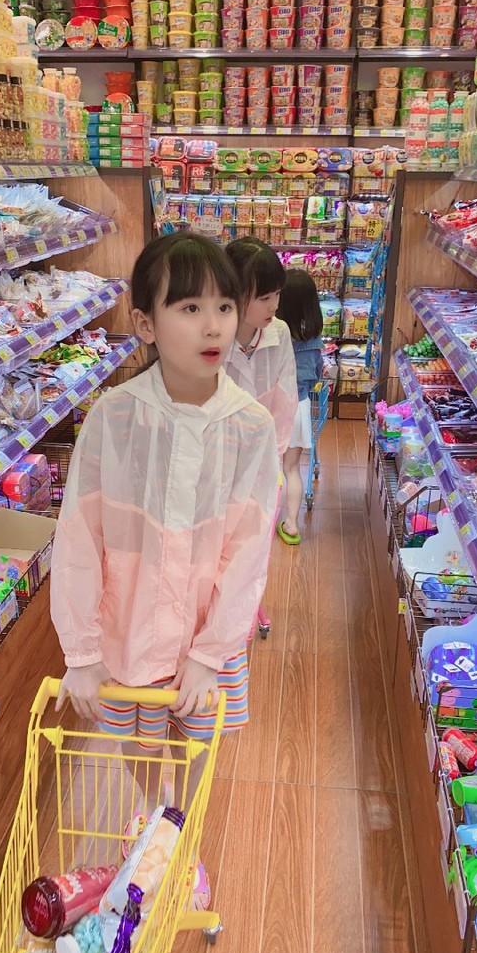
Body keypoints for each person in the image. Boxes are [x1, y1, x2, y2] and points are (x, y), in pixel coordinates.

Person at [50, 232, 279, 908]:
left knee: (198, 741)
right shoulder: (114, 418)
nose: (213, 326)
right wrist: (81, 652)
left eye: (224, 307)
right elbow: (80, 536)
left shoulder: (251, 427)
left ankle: (183, 836)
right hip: (130, 627)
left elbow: (249, 553)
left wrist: (211, 653)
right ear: (146, 324)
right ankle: (155, 818)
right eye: (189, 308)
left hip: (207, 633)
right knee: (138, 741)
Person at [224, 237, 298, 460]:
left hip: (264, 451)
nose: (274, 306)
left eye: (278, 294)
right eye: (265, 297)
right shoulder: (213, 336)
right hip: (217, 453)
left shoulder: (280, 332)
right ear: (233, 293)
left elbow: (286, 399)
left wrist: (269, 453)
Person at [275, 269, 324, 545]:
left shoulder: (272, 334)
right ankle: (292, 524)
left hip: (272, 406)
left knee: (266, 467)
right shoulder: (313, 339)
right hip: (299, 406)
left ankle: (260, 521)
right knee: (292, 468)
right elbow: (316, 373)